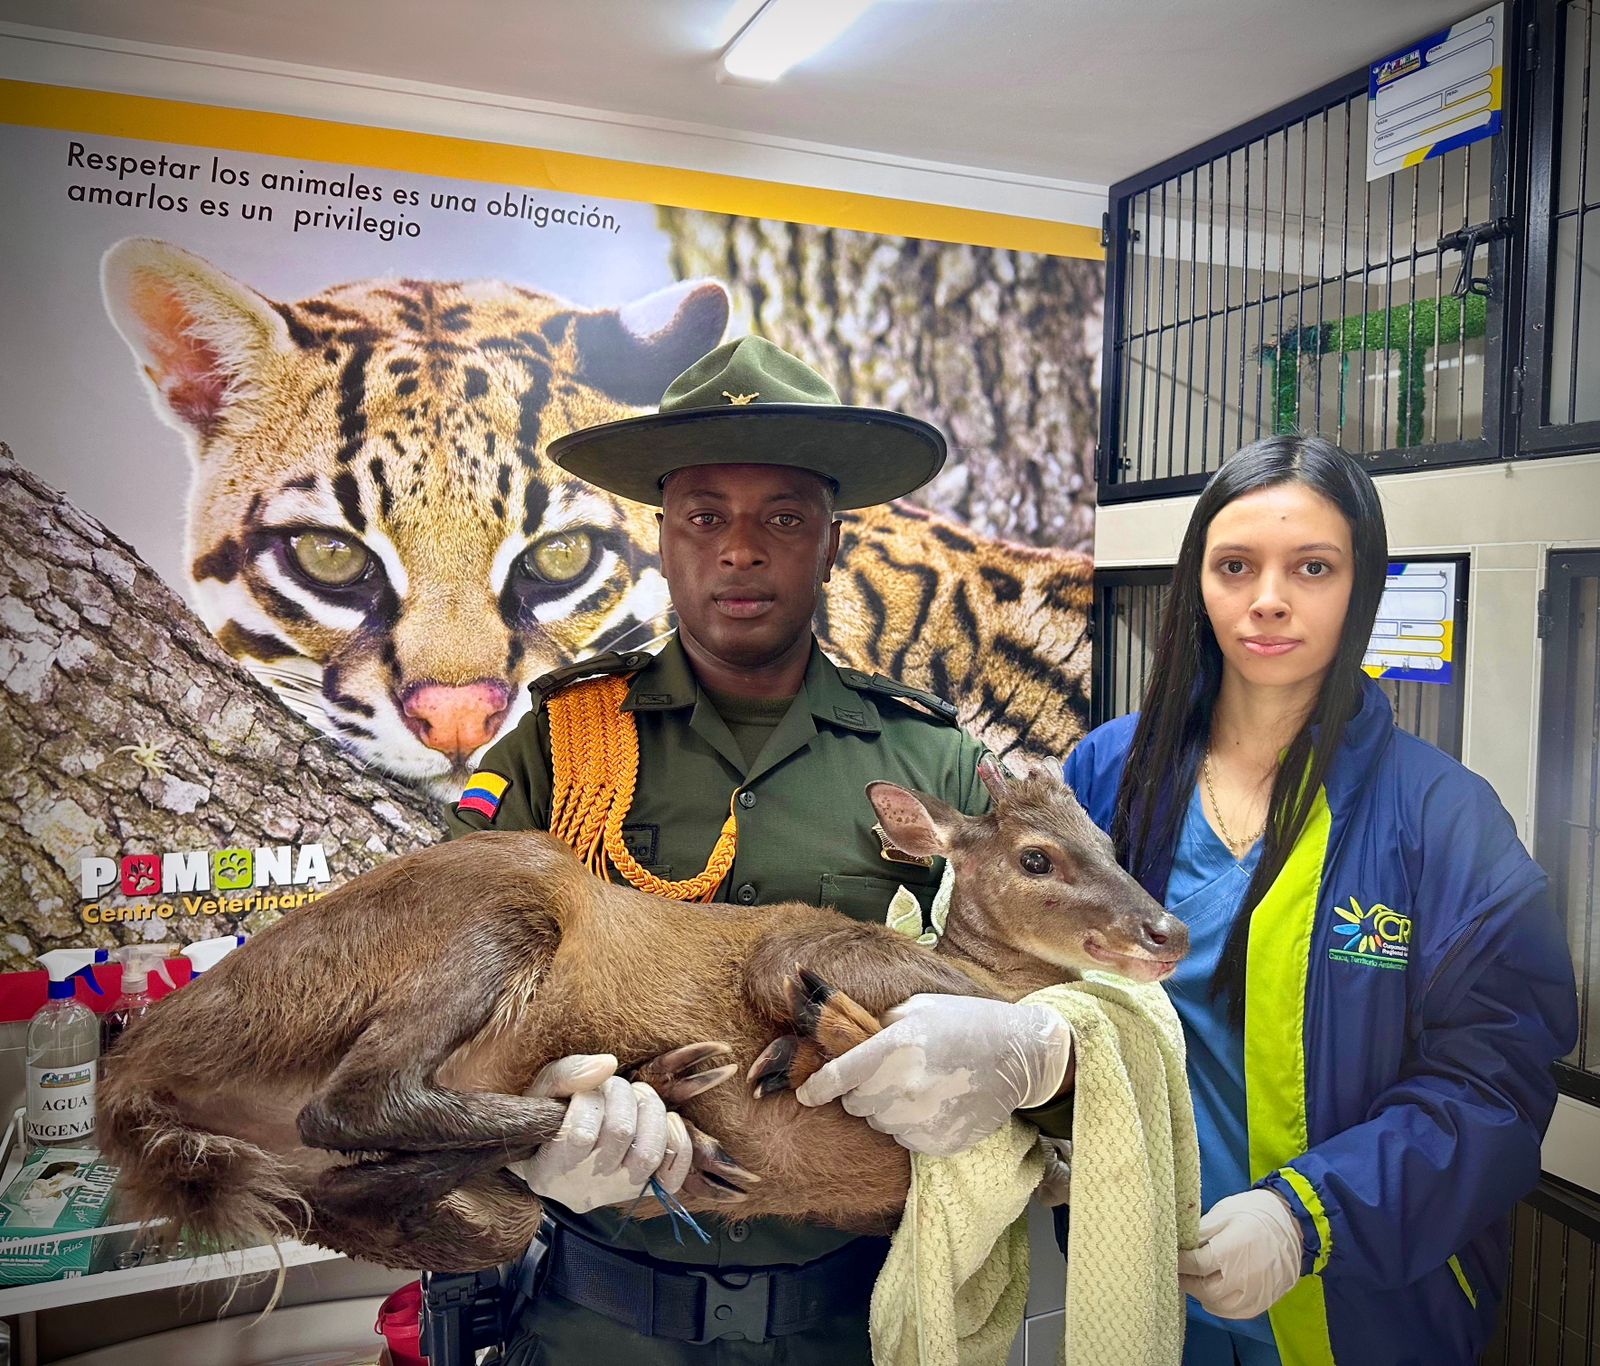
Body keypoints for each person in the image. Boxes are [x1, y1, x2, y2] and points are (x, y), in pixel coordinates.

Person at [444, 335, 1075, 1365]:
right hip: (600, 1321)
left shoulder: (932, 760)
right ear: (661, 538)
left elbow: (1052, 1006)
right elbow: (446, 967)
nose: (741, 548)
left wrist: (1022, 1051)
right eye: (705, 517)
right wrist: (530, 1122)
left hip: (857, 1319)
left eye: (782, 517)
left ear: (831, 543)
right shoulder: (558, 748)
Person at [1059, 434, 1578, 1364]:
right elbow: (1052, 986)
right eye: (1234, 566)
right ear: (1198, 583)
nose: (1268, 599)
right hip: (1145, 1286)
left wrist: (1307, 1217)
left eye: (1312, 567)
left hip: (1358, 1301)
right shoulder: (1112, 773)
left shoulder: (1441, 817)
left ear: (1362, 586)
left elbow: (1495, 1083)